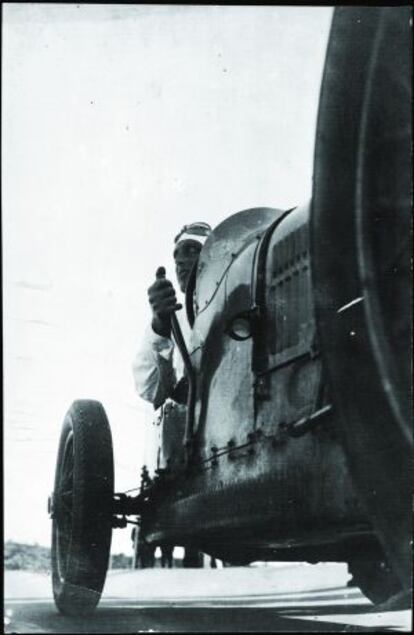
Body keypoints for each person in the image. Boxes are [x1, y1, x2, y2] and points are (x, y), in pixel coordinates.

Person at [132, 221, 212, 568]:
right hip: (188, 449)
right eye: (178, 254)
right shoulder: (173, 322)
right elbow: (152, 391)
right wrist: (159, 326)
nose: (181, 262)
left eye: (193, 252)